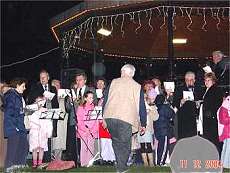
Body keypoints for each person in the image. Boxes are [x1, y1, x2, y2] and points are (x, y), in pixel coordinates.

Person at [102, 64, 147, 173]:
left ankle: (120, 166)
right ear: (132, 73)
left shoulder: (113, 82)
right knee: (126, 144)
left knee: (116, 142)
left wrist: (103, 118)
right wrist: (144, 123)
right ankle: (121, 168)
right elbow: (141, 106)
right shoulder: (137, 86)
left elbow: (105, 100)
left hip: (110, 116)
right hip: (126, 118)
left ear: (122, 72)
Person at [27, 70, 59, 162]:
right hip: (40, 117)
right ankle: (41, 161)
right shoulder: (35, 87)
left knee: (49, 137)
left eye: (44, 77)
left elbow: (55, 102)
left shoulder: (53, 88)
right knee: (41, 139)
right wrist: (40, 99)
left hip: (51, 115)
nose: (42, 79)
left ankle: (48, 160)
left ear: (48, 78)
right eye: (41, 77)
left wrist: (56, 112)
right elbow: (31, 100)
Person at [3, 78, 28, 173]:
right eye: (23, 86)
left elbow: (19, 111)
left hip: (20, 127)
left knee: (23, 147)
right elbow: (9, 113)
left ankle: (19, 168)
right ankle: (9, 168)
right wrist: (15, 127)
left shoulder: (18, 96)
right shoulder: (11, 96)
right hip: (14, 128)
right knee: (12, 150)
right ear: (17, 85)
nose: (24, 88)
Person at [172, 71, 203, 139]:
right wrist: (181, 102)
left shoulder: (200, 89)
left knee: (195, 139)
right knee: (184, 140)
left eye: (191, 80)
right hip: (184, 120)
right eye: (187, 80)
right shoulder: (179, 89)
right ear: (185, 80)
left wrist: (199, 103)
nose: (189, 82)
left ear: (194, 80)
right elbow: (174, 104)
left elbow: (203, 101)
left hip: (196, 119)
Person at [28, 97, 53, 168]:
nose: (40, 103)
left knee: (42, 147)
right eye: (38, 101)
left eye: (41, 101)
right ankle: (34, 163)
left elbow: (49, 122)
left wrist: (48, 132)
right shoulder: (31, 110)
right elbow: (30, 120)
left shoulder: (45, 111)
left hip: (43, 132)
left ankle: (40, 163)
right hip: (35, 131)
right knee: (34, 148)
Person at [202, 72, 223, 155]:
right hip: (209, 118)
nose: (206, 82)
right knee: (209, 138)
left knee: (213, 138)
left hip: (212, 119)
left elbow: (218, 103)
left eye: (208, 80)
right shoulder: (208, 90)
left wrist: (211, 113)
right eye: (205, 80)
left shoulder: (215, 90)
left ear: (213, 81)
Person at [76, 91, 97, 167]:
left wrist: (92, 129)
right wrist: (85, 129)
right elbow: (79, 120)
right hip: (83, 131)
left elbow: (96, 120)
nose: (92, 99)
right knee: (84, 147)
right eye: (90, 97)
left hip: (92, 131)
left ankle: (90, 162)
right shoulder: (81, 107)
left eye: (92, 97)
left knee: (91, 146)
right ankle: (83, 163)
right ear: (85, 98)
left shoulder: (94, 107)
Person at [154, 94, 175, 166]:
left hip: (157, 130)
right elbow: (172, 114)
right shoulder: (165, 107)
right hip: (164, 130)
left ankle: (158, 161)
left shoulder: (155, 107)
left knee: (160, 147)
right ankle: (161, 163)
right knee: (164, 147)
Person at [218, 96, 230, 168]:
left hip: (227, 130)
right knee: (228, 149)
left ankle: (222, 165)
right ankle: (226, 166)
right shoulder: (227, 102)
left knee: (226, 148)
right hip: (227, 130)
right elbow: (223, 119)